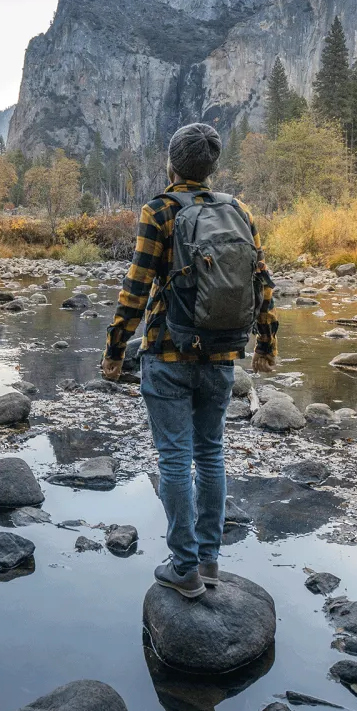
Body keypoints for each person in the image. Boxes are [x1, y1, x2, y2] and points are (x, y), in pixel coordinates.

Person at [101, 123, 278, 598]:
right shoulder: (237, 209)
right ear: (212, 167)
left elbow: (136, 289)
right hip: (221, 353)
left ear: (172, 164)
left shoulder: (158, 210)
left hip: (168, 351)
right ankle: (210, 559)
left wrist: (116, 348)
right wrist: (266, 344)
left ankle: (183, 568)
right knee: (211, 453)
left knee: (175, 459)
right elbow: (261, 279)